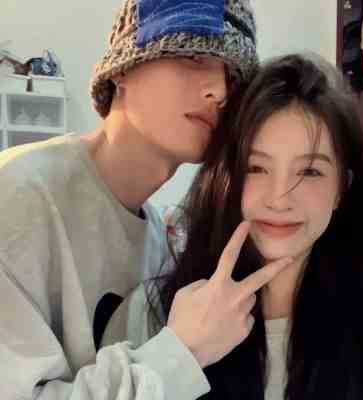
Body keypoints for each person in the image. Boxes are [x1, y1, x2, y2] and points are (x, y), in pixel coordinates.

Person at [0, 1, 258, 399]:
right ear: (123, 68)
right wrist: (182, 354)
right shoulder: (16, 196)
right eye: (193, 56)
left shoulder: (159, 244)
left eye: (233, 78)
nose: (219, 91)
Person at [103, 53, 363, 400]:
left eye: (309, 171)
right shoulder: (152, 314)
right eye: (256, 168)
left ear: (341, 190)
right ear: (227, 178)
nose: (279, 199)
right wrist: (181, 352)